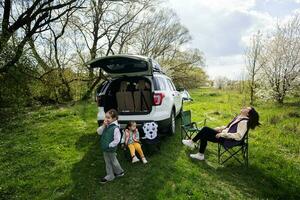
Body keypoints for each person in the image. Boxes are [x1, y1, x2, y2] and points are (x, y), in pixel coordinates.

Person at [182, 107, 260, 161]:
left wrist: (222, 134)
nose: (245, 107)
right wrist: (219, 128)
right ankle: (200, 154)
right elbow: (228, 127)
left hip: (228, 140)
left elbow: (238, 136)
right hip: (225, 136)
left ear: (248, 114)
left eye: (247, 108)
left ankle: (192, 143)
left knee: (205, 129)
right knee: (204, 133)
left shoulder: (244, 122)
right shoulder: (239, 118)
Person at [97, 109, 124, 184]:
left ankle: (116, 173)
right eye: (106, 117)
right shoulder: (106, 125)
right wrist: (103, 126)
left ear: (114, 119)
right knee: (108, 161)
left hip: (110, 148)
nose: (106, 119)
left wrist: (109, 145)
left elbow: (117, 140)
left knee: (112, 161)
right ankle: (113, 174)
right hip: (105, 148)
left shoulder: (115, 128)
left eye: (108, 118)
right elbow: (99, 132)